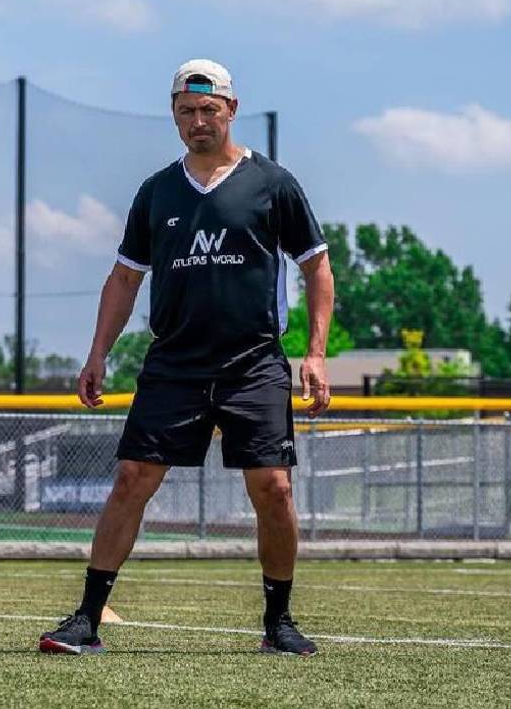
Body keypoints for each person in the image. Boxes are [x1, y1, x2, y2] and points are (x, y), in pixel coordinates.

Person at [39, 59, 333, 658]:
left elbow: (316, 267)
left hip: (254, 363)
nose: (198, 121)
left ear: (230, 109)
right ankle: (87, 619)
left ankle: (278, 622)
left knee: (272, 487)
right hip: (174, 364)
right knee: (131, 480)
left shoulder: (272, 184)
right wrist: (97, 352)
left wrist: (316, 353)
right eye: (185, 112)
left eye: (208, 110)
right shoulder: (157, 191)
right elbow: (124, 279)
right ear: (174, 116)